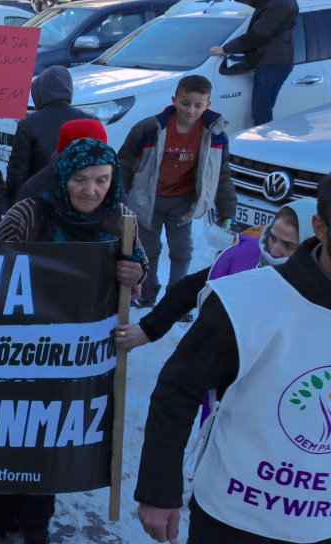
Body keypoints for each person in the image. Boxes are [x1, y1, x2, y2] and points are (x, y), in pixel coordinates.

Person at [135, 174, 331, 544]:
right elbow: (178, 391)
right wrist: (158, 493)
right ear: (320, 227)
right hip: (236, 517)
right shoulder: (245, 300)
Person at [0, 137, 146, 543]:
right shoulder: (31, 212)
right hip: (19, 349)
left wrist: (136, 274)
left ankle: (35, 522)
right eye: (81, 179)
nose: (92, 191)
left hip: (78, 360)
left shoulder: (121, 220)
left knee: (51, 436)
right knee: (11, 432)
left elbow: (141, 271)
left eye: (102, 180)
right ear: (63, 176)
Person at [117, 197, 318, 349]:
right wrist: (149, 329)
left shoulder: (319, 289)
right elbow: (192, 287)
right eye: (273, 238)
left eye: (288, 245)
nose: (274, 250)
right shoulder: (244, 257)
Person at [118, 75, 235, 307]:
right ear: (174, 100)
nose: (191, 110)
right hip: (148, 201)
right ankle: (146, 292)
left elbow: (221, 172)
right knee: (148, 249)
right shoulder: (150, 129)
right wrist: (119, 199)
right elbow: (124, 166)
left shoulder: (215, 135)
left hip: (183, 202)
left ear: (208, 105)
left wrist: (227, 208)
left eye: (198, 105)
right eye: (185, 103)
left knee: (182, 251)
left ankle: (175, 298)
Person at [210, 0, 299, 127]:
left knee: (261, 110)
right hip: (264, 61)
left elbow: (257, 36)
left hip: (274, 63)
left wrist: (224, 49)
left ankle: (261, 147)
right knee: (260, 110)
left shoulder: (283, 2)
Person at [5, 66, 97, 202]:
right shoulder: (88, 120)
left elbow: (17, 170)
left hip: (39, 198)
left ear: (38, 91)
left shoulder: (29, 123)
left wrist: (13, 205)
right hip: (80, 198)